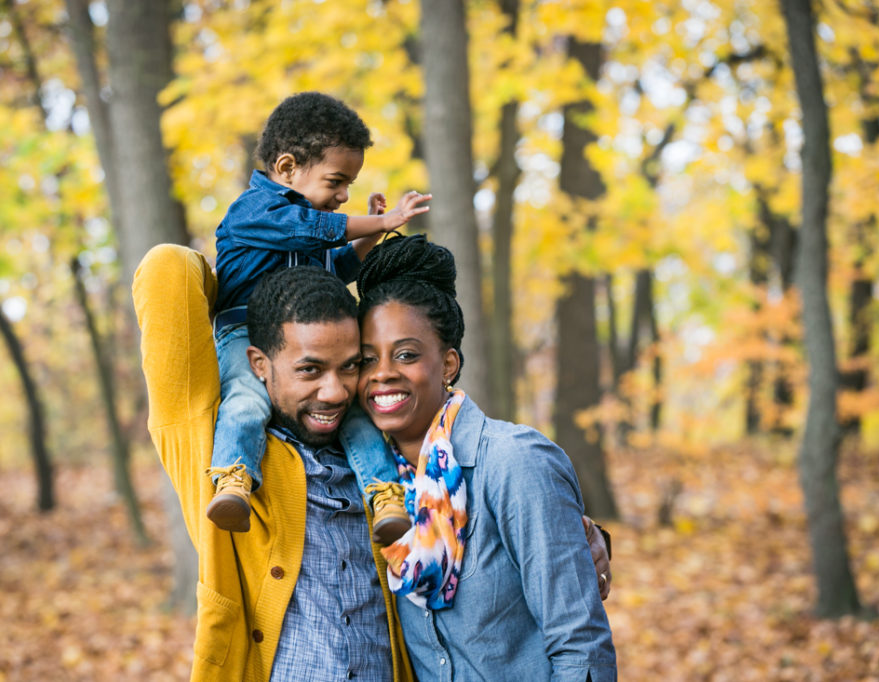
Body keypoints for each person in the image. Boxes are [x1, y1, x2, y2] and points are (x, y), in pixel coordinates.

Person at [132, 243, 612, 681]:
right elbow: (166, 272)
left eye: (349, 365)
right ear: (260, 364)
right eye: (309, 368)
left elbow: (572, 634)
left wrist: (572, 534)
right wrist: (258, 272)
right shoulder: (227, 456)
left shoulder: (392, 469)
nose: (337, 390)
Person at [354, 233, 617, 681]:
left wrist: (580, 533)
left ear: (449, 364)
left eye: (406, 355)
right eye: (366, 360)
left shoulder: (513, 463)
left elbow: (580, 647)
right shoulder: (374, 488)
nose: (382, 374)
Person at [208, 91, 430, 541]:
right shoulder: (254, 211)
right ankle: (233, 479)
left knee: (353, 412)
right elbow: (312, 230)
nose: (344, 194)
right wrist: (382, 223)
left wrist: (367, 236)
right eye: (336, 181)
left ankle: (383, 494)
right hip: (244, 331)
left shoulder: (318, 234)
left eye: (349, 183)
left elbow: (340, 267)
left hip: (309, 347)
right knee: (247, 400)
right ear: (288, 168)